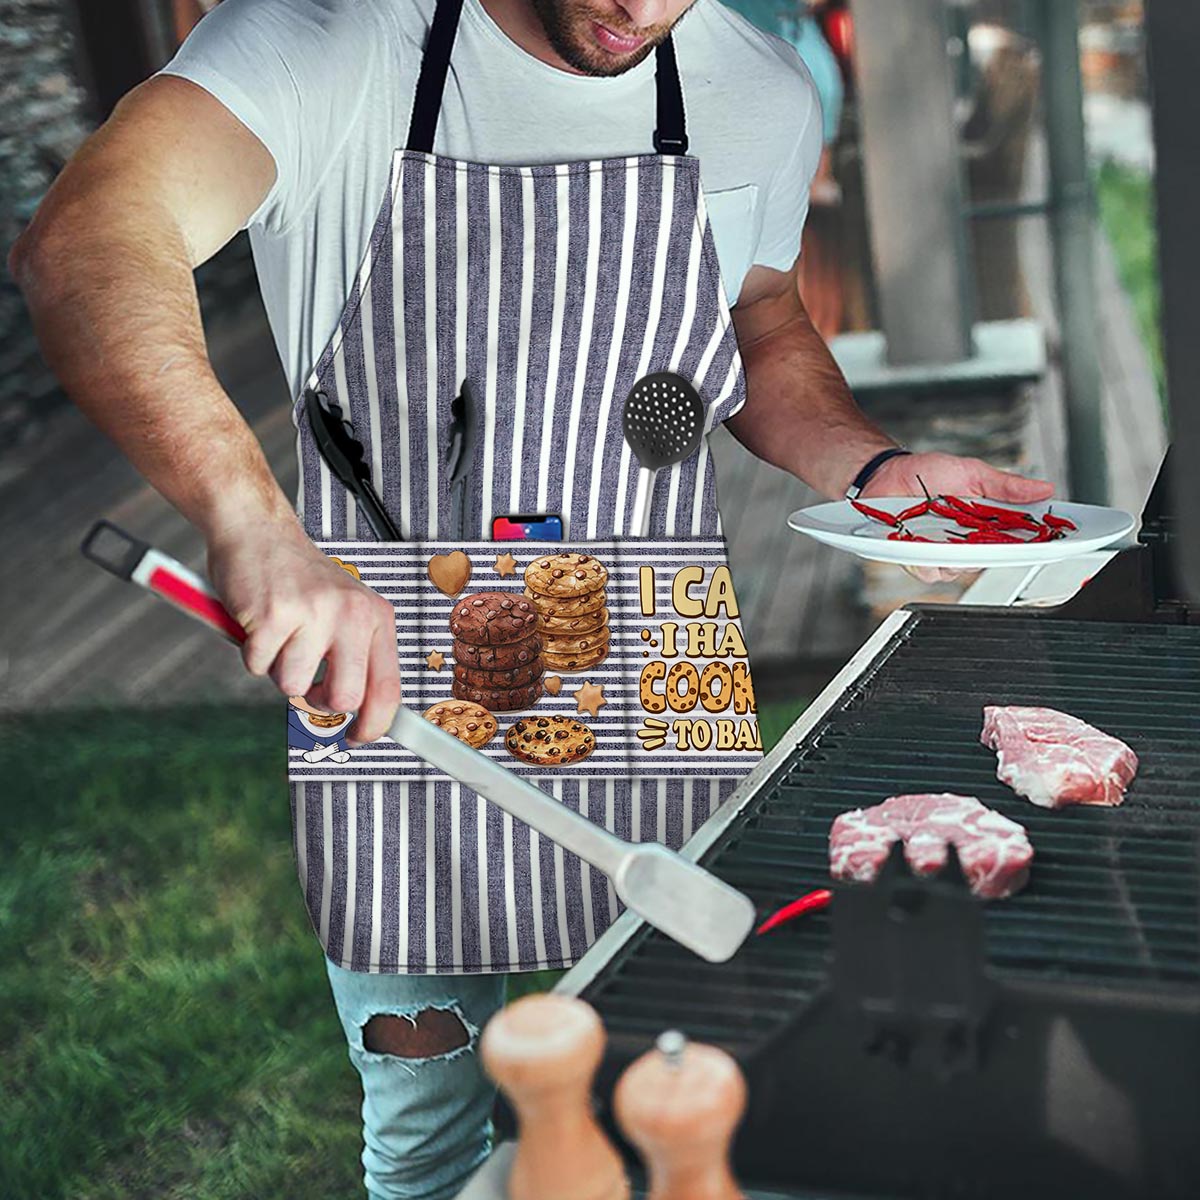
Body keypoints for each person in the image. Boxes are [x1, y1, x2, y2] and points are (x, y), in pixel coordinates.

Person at [9, 0, 1053, 1195]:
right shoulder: (332, 41)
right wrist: (256, 523)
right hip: (400, 683)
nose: (642, 11)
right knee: (430, 1134)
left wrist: (871, 469)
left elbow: (757, 323)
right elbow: (90, 239)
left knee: (696, 1096)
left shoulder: (757, 90)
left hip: (659, 664)